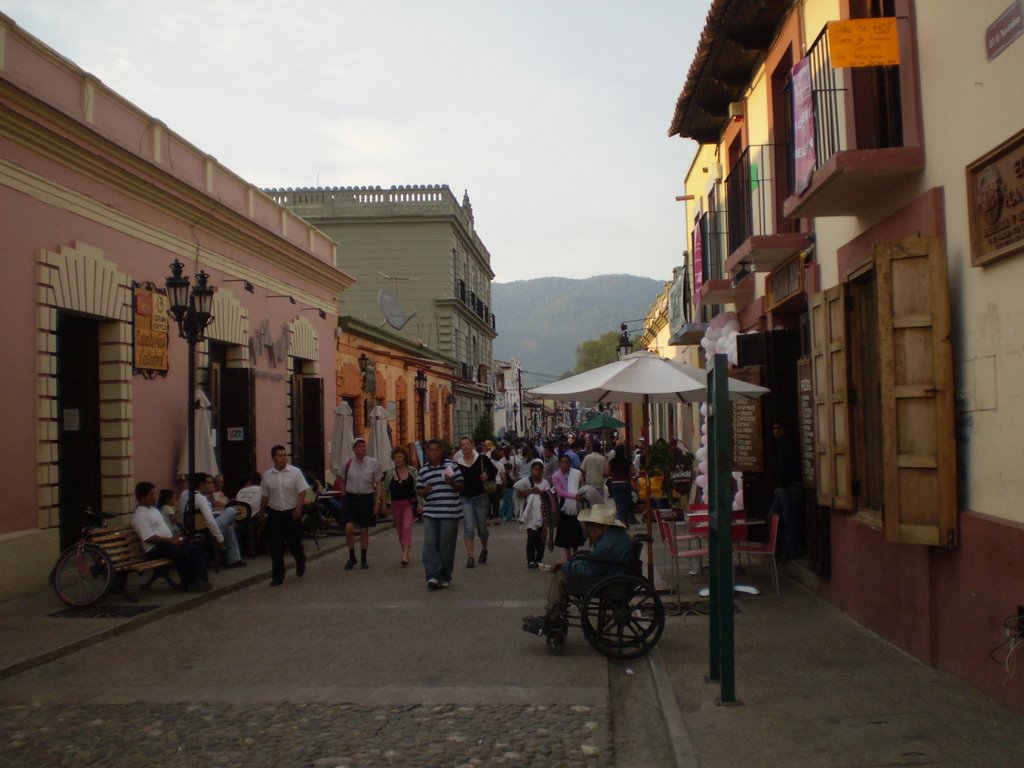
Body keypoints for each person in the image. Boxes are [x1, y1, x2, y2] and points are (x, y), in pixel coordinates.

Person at [521, 504, 633, 636]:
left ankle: (552, 618)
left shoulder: (607, 544)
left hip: (608, 580)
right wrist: (570, 564)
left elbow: (591, 568)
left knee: (560, 576)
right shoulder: (615, 536)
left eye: (591, 527)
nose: (589, 531)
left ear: (600, 526)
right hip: (612, 572)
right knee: (564, 571)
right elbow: (593, 561)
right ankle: (553, 615)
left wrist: (564, 566)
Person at [131, 481, 210, 592]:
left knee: (198, 551)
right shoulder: (139, 515)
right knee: (183, 555)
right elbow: (149, 538)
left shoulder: (154, 510)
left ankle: (202, 581)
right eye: (151, 494)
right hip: (155, 548)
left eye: (154, 494)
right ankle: (188, 583)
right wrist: (170, 540)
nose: (154, 497)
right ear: (142, 497)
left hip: (168, 543)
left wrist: (175, 538)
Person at [417, 438, 464, 590]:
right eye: (431, 450)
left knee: (446, 547)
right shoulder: (423, 470)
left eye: (437, 450)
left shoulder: (451, 466)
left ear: (441, 451)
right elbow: (419, 489)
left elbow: (462, 487)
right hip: (431, 512)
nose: (434, 453)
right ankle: (432, 576)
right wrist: (424, 491)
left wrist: (452, 483)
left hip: (449, 513)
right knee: (430, 545)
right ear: (427, 452)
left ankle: (445, 575)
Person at [259, 445, 309, 587]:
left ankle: (300, 560)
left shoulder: (295, 472)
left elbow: (301, 491)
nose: (283, 458)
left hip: (292, 512)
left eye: (284, 455)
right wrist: (262, 514)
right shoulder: (267, 475)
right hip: (275, 513)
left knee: (294, 544)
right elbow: (264, 495)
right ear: (273, 458)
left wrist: (299, 508)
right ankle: (277, 576)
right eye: (280, 456)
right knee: (276, 546)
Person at [336, 436, 383, 570]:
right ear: (354, 449)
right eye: (359, 446)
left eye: (364, 446)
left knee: (363, 529)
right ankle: (352, 556)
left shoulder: (373, 463)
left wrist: (378, 501)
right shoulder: (348, 463)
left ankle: (363, 557)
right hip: (351, 497)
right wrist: (343, 492)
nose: (362, 448)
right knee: (349, 529)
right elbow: (341, 478)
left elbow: (378, 482)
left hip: (366, 497)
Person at [183, 473, 245, 568]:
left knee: (228, 526)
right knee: (231, 511)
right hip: (204, 531)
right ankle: (233, 559)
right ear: (201, 485)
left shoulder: (184, 494)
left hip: (189, 528)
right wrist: (220, 539)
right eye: (208, 483)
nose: (211, 485)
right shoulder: (200, 498)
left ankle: (233, 559)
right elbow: (210, 520)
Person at [455, 435, 492, 568]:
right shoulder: (458, 462)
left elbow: (493, 470)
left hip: (480, 497)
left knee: (482, 528)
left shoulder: (481, 458)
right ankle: (470, 556)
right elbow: (455, 479)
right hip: (465, 498)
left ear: (472, 445)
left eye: (467, 444)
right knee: (468, 528)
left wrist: (487, 475)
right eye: (462, 445)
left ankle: (484, 549)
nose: (465, 446)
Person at [770, 419, 803, 560]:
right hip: (782, 489)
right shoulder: (780, 446)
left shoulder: (791, 446)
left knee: (789, 520)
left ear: (786, 429)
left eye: (779, 428)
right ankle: (778, 548)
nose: (776, 431)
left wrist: (782, 485)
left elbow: (791, 469)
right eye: (774, 428)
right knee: (774, 517)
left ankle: (790, 550)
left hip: (790, 488)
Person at [381, 446, 418, 566]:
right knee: (400, 530)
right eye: (396, 457)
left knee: (407, 527)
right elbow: (385, 489)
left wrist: (422, 504)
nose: (398, 459)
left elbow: (418, 488)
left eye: (400, 457)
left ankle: (405, 554)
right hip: (395, 505)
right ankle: (405, 551)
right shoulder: (390, 472)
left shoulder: (413, 471)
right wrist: (384, 505)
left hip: (408, 504)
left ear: (405, 458)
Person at [515, 458, 551, 568]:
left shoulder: (545, 483)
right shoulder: (526, 481)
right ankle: (530, 559)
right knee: (531, 537)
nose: (537, 472)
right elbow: (518, 493)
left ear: (542, 471)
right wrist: (529, 491)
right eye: (535, 469)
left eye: (539, 470)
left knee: (541, 537)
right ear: (531, 471)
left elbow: (550, 497)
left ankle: (539, 558)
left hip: (542, 514)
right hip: (530, 514)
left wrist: (541, 493)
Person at [551, 454, 586, 557]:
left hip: (575, 504)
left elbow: (581, 485)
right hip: (564, 505)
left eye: (567, 462)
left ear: (570, 464)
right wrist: (575, 496)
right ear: (559, 464)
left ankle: (575, 555)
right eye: (563, 462)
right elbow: (560, 492)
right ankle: (568, 557)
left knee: (575, 532)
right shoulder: (556, 476)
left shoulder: (576, 474)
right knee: (566, 533)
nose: (565, 465)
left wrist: (578, 496)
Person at [606, 444, 638, 527]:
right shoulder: (627, 461)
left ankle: (620, 520)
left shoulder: (612, 461)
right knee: (626, 502)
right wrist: (627, 475)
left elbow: (606, 473)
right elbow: (633, 472)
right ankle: (625, 520)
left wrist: (613, 474)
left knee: (619, 503)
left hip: (615, 484)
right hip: (626, 483)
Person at [579, 439, 608, 503]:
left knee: (590, 503)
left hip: (589, 484)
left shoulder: (587, 457)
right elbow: (606, 473)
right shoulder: (603, 459)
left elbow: (582, 470)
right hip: (599, 484)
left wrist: (586, 478)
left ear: (592, 447)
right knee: (600, 503)